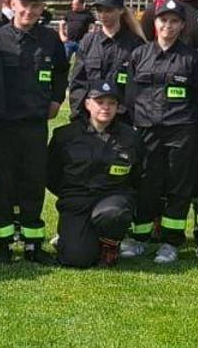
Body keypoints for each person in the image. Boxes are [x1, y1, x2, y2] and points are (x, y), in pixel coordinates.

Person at [0, 0, 67, 264]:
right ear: (12, 3)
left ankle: (33, 242)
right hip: (5, 124)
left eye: (36, 6)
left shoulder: (50, 39)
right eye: (24, 4)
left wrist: (56, 98)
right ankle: (4, 242)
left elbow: (61, 71)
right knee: (4, 183)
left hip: (35, 123)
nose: (29, 11)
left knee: (33, 182)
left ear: (42, 8)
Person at [119, 0, 198, 264]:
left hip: (181, 131)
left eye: (174, 21)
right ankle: (140, 238)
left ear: (182, 25)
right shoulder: (139, 55)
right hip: (147, 130)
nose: (168, 26)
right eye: (163, 20)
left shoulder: (192, 58)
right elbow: (130, 96)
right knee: (146, 184)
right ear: (154, 23)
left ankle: (171, 242)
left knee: (179, 186)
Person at [48, 81, 142, 268]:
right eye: (100, 102)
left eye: (112, 103)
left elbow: (138, 175)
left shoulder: (130, 137)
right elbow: (51, 174)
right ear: (87, 104)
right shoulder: (65, 136)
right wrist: (68, 195)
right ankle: (80, 238)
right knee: (76, 259)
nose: (106, 107)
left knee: (113, 214)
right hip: (77, 201)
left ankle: (110, 245)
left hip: (112, 199)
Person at [69, 0, 145, 118]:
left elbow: (140, 87)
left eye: (108, 10)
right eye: (99, 10)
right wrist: (79, 115)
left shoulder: (136, 44)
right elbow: (78, 83)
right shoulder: (88, 42)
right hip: (91, 117)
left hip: (124, 118)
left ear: (121, 10)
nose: (103, 15)